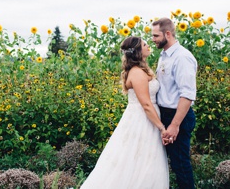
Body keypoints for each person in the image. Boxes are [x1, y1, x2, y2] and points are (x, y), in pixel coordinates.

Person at [80, 36, 168, 188]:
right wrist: (161, 127)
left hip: (149, 118)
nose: (148, 46)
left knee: (145, 160)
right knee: (135, 158)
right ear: (138, 51)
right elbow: (146, 104)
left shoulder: (142, 70)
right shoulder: (137, 73)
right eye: (145, 45)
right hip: (142, 120)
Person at [151, 17, 198, 188]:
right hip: (165, 115)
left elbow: (187, 95)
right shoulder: (164, 55)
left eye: (156, 36)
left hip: (178, 116)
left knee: (180, 165)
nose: (152, 39)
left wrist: (174, 125)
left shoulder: (182, 57)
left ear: (168, 34)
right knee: (170, 163)